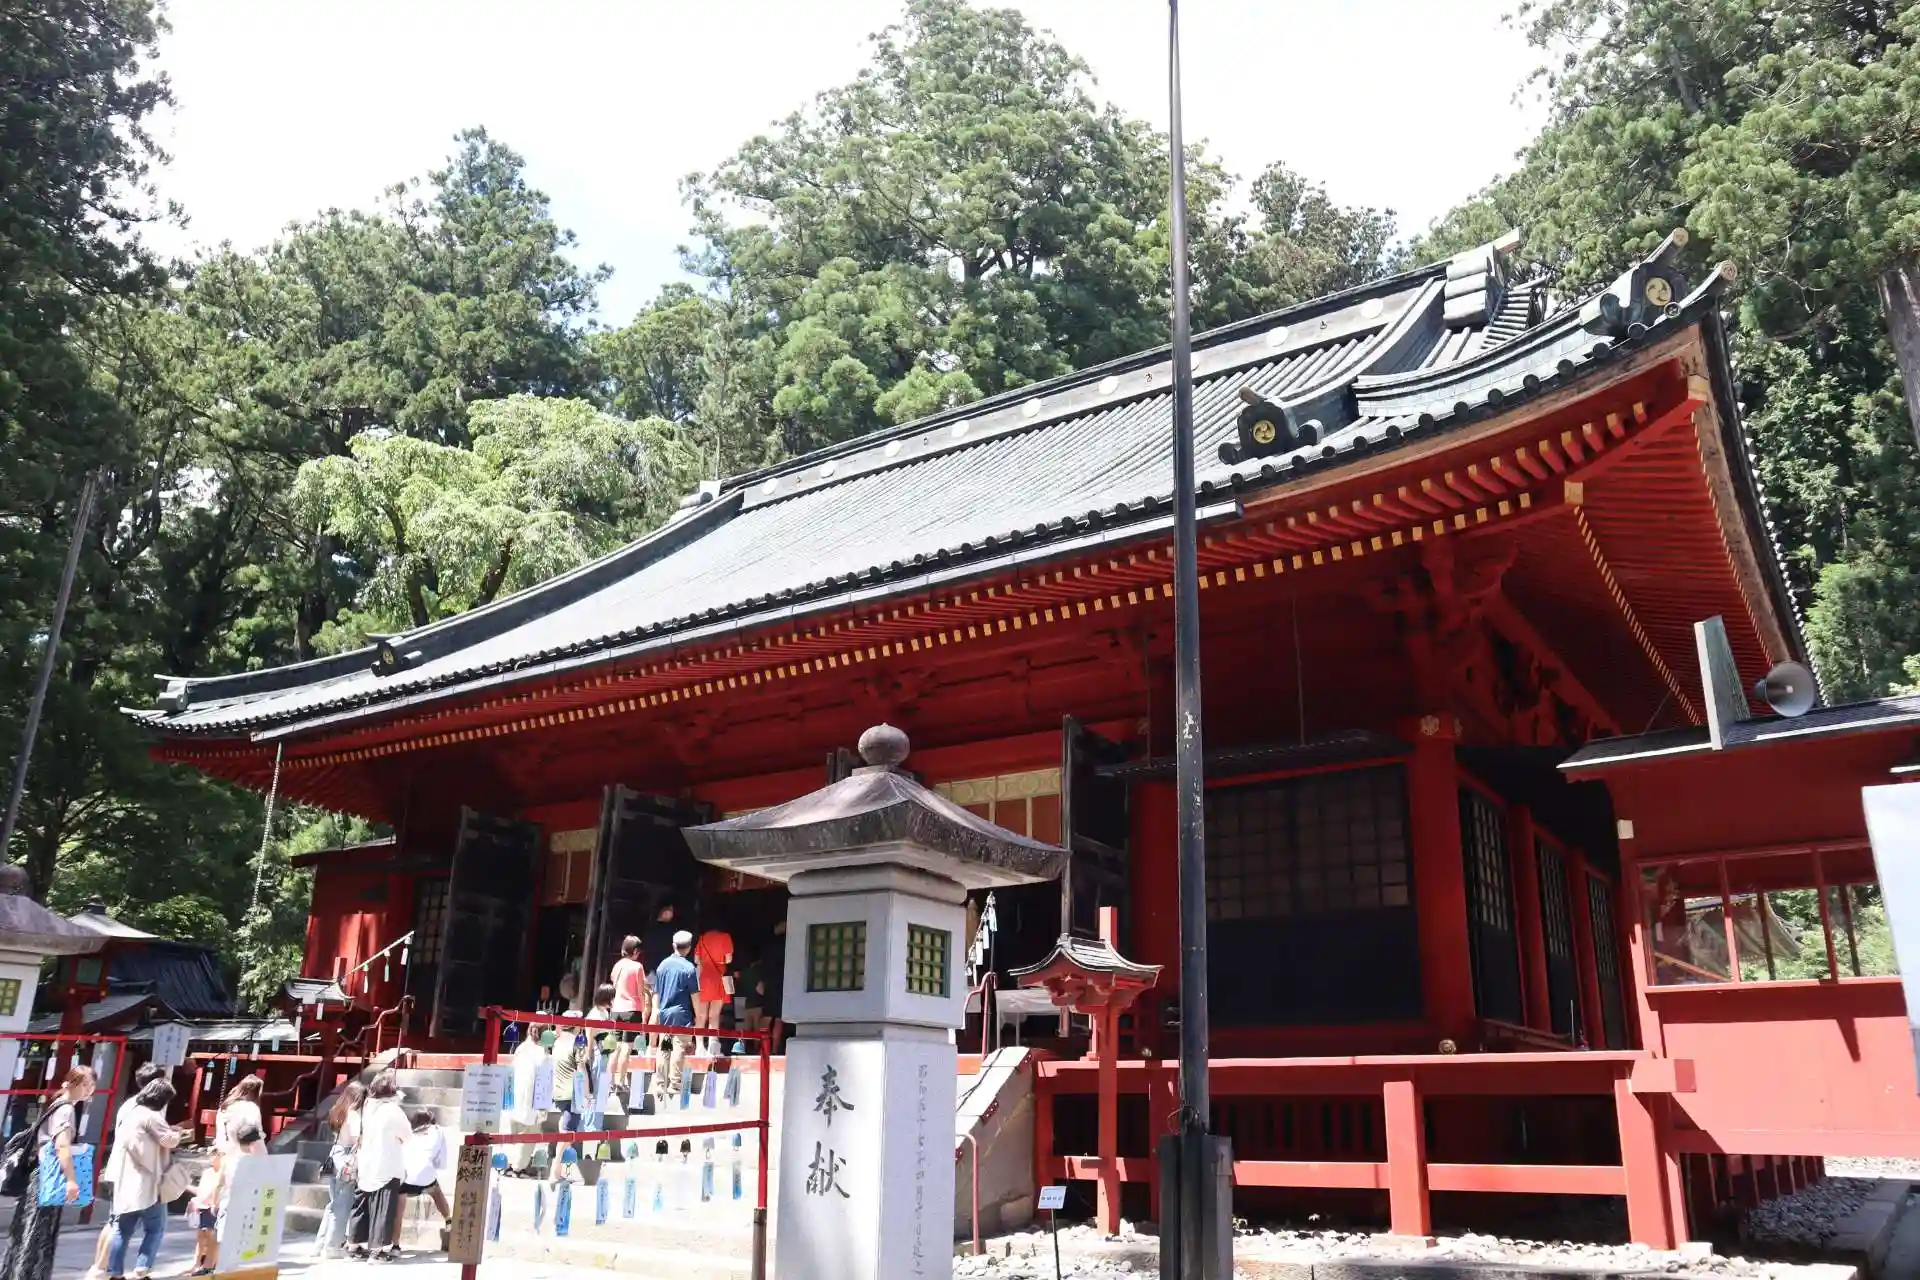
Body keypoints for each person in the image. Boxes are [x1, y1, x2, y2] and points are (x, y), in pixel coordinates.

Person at [3, 1064, 97, 1280]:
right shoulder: (66, 1109)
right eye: (84, 1084)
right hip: (48, 1178)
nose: (89, 1090)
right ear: (71, 1083)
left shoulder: (58, 1104)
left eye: (91, 1085)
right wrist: (71, 1180)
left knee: (28, 1232)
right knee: (38, 1234)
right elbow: (62, 1146)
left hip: (39, 1176)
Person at [84, 1062, 169, 1280]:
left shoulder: (129, 1104)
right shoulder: (147, 1110)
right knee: (132, 1226)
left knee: (116, 1223)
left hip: (121, 1170)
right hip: (138, 1174)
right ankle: (106, 1269)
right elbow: (147, 1146)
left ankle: (101, 1267)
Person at [106, 1078, 181, 1280]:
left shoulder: (130, 1113)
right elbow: (168, 1140)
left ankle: (115, 1272)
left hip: (126, 1180)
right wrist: (178, 1133)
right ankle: (142, 1269)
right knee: (155, 1228)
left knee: (122, 1230)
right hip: (149, 1183)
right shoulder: (152, 1117)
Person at [346, 1072, 410, 1261]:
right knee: (383, 1208)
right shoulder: (393, 1111)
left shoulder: (364, 1107)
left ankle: (354, 1245)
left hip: (365, 1161)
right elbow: (407, 1135)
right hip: (387, 1163)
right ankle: (378, 1251)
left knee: (361, 1205)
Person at [318, 1082, 366, 1257]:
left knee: (333, 1204)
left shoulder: (337, 1110)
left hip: (335, 1154)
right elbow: (356, 1139)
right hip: (347, 1158)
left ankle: (320, 1244)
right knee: (343, 1204)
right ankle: (332, 1246)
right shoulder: (353, 1114)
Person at [651, 931, 699, 1103]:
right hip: (682, 1013)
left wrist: (656, 1011)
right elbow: (694, 996)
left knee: (664, 1047)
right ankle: (675, 1085)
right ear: (689, 948)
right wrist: (699, 1016)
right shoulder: (689, 968)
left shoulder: (662, 965)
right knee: (679, 1046)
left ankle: (660, 1083)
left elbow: (656, 992)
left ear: (673, 946)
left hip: (664, 1012)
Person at [394, 1109, 451, 1252]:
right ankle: (449, 1220)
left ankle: (395, 1244)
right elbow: (441, 1163)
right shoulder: (438, 1132)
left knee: (399, 1210)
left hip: (404, 1177)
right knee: (436, 1191)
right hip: (425, 1177)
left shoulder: (407, 1131)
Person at [609, 935, 646, 1084]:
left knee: (615, 1047)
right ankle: (621, 1081)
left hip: (616, 1009)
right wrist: (643, 1009)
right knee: (626, 1047)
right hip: (632, 1010)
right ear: (635, 951)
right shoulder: (637, 967)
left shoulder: (617, 966)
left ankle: (609, 1081)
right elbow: (640, 992)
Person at [694, 925, 735, 1056]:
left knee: (701, 1015)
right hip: (719, 978)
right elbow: (728, 959)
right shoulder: (725, 937)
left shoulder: (702, 938)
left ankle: (699, 1046)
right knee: (714, 1015)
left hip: (704, 978)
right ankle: (713, 1046)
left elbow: (696, 960)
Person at [640, 901, 678, 1026]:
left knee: (647, 1005)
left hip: (649, 970)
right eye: (671, 911)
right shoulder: (669, 931)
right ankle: (655, 1036)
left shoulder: (648, 929)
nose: (672, 914)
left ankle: (642, 1031)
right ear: (664, 912)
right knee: (658, 1007)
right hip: (662, 972)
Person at [187, 1151, 222, 1276]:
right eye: (210, 1153)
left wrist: (208, 1201)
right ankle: (196, 1263)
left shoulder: (224, 1173)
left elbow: (216, 1191)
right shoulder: (207, 1172)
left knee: (212, 1238)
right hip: (202, 1207)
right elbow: (201, 1191)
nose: (212, 1156)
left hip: (215, 1208)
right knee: (201, 1237)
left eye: (215, 1153)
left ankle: (212, 1263)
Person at [214, 1075, 263, 1155]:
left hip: (223, 1153)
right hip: (240, 1155)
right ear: (256, 1092)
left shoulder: (224, 1107)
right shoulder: (251, 1108)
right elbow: (251, 1136)